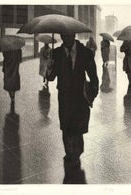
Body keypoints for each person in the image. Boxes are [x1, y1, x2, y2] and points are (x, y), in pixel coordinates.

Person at [46, 34, 99, 168]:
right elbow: (50, 78)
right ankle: (70, 152)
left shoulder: (85, 52)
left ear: (74, 35)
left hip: (80, 96)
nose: (66, 37)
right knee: (66, 125)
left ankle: (77, 151)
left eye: (68, 34)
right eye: (63, 35)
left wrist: (93, 92)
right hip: (64, 97)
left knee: (78, 125)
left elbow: (93, 75)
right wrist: (50, 67)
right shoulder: (56, 53)